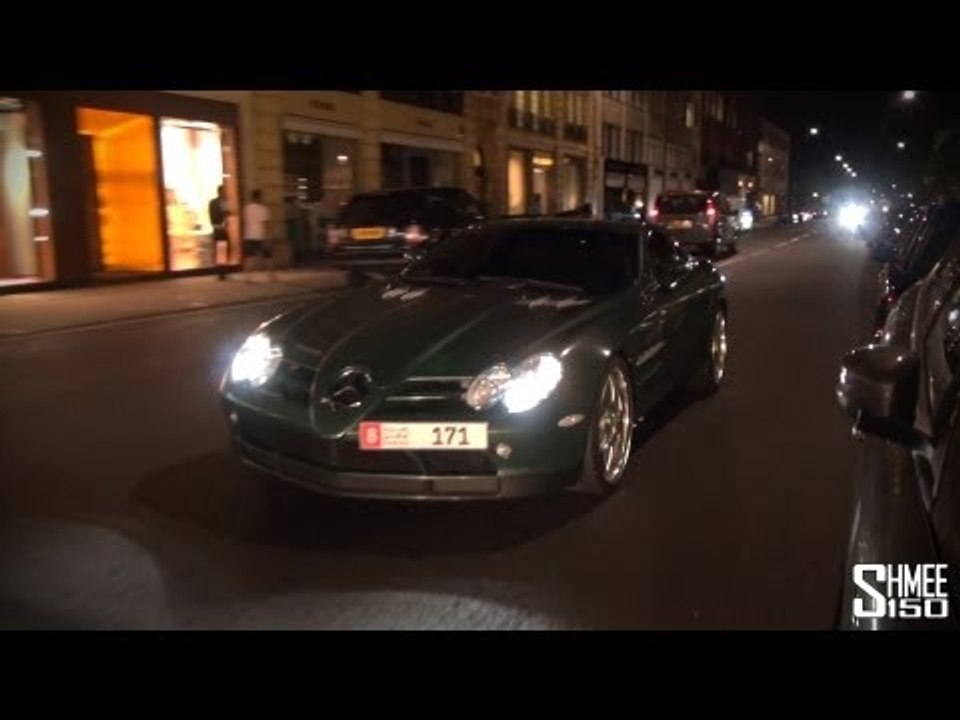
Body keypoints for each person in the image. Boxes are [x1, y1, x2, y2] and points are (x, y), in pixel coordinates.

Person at [242, 189, 272, 281]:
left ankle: (248, 277)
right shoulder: (263, 209)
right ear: (259, 197)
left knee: (250, 257)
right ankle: (271, 275)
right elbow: (265, 224)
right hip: (260, 235)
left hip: (249, 235)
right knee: (268, 256)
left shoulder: (246, 209)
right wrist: (267, 236)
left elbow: (244, 222)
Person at [208, 185, 229, 280]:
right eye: (224, 191)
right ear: (220, 192)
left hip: (218, 229)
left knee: (220, 251)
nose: (225, 193)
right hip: (220, 229)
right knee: (222, 251)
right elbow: (224, 215)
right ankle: (221, 273)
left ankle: (220, 271)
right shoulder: (221, 203)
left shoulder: (213, 203)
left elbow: (212, 216)